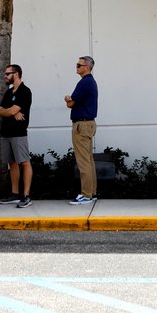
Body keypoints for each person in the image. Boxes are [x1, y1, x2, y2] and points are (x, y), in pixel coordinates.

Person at [0, 64, 34, 208]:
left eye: (7, 74)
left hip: (19, 133)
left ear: (16, 74)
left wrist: (10, 111)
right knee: (11, 163)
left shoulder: (25, 91)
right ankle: (15, 193)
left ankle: (26, 195)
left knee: (24, 162)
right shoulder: (8, 92)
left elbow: (9, 111)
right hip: (6, 133)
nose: (5, 76)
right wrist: (8, 111)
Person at [65, 55, 98, 205]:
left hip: (82, 125)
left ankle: (86, 194)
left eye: (79, 65)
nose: (76, 67)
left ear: (87, 67)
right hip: (88, 124)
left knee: (83, 161)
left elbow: (71, 103)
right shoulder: (90, 82)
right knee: (89, 160)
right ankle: (92, 192)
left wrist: (67, 99)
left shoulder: (84, 83)